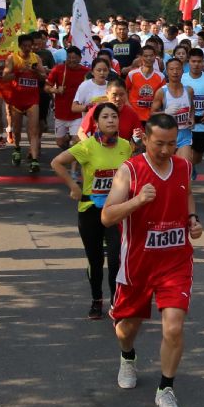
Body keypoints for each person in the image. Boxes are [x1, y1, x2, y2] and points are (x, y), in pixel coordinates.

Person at [100, 114, 202, 407]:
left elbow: (187, 194)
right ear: (144, 139)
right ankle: (127, 356)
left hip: (175, 261)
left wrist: (192, 220)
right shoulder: (129, 170)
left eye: (172, 144)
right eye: (159, 143)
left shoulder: (183, 166)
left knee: (173, 327)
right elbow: (107, 216)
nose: (166, 150)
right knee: (126, 329)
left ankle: (166, 389)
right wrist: (137, 201)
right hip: (138, 264)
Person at [53, 101, 131, 320]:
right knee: (95, 260)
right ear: (96, 122)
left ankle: (116, 302)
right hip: (90, 210)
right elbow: (57, 162)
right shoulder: (87, 146)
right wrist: (74, 187)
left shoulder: (126, 146)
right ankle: (97, 299)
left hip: (116, 211)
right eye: (105, 117)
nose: (110, 120)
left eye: (114, 116)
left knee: (116, 259)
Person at [0, 32, 47, 172]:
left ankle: (34, 160)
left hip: (32, 99)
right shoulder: (12, 58)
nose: (27, 48)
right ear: (19, 46)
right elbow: (4, 77)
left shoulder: (36, 58)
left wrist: (36, 72)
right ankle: (17, 148)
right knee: (17, 129)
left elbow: (44, 76)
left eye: (29, 46)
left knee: (33, 130)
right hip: (17, 99)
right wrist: (18, 72)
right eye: (24, 46)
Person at [47, 44, 91, 152]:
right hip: (61, 112)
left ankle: (72, 158)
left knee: (76, 140)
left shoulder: (87, 72)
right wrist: (56, 90)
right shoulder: (58, 69)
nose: (71, 60)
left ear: (80, 58)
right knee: (60, 142)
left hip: (77, 113)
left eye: (74, 58)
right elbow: (46, 87)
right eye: (69, 57)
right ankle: (68, 140)